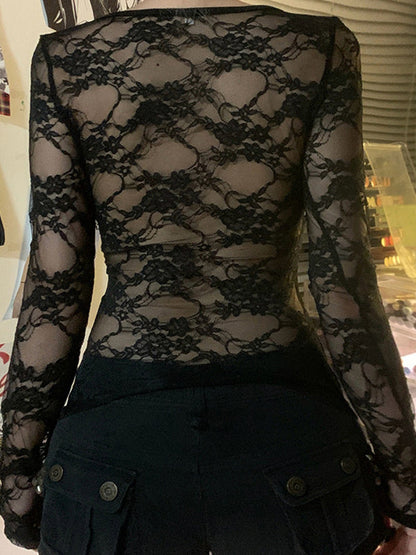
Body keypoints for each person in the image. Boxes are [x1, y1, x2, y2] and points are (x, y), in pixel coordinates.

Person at [1, 1, 416, 553]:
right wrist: (404, 477)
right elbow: (342, 277)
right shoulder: (320, 47)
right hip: (292, 440)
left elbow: (57, 279)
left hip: (114, 443)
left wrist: (16, 476)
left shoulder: (64, 60)